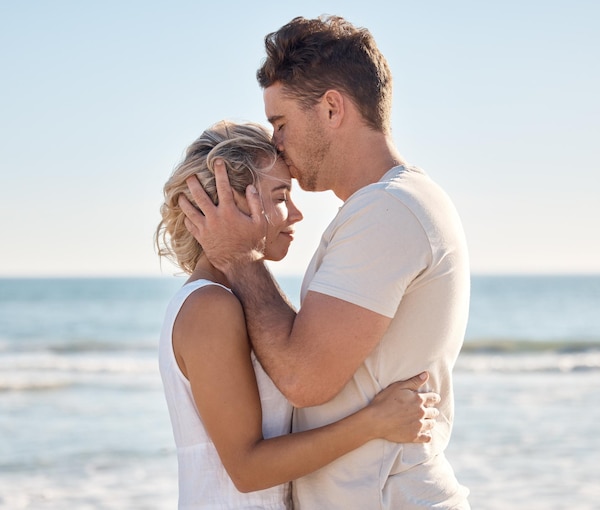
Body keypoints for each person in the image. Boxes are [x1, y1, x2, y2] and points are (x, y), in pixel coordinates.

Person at [179, 15, 472, 509]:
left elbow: (302, 379)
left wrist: (240, 258)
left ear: (332, 108)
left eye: (281, 123)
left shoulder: (388, 210)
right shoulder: (383, 207)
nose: (276, 143)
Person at [156, 120, 441, 509]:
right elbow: (247, 469)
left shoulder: (241, 300)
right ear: (232, 204)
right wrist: (374, 423)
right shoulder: (211, 307)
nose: (296, 214)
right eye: (280, 197)